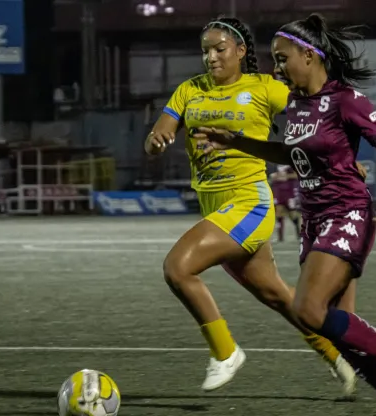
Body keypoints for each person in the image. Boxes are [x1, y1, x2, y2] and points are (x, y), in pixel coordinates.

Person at [194, 13, 376, 416]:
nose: (277, 67)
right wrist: (235, 142)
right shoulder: (294, 105)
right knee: (336, 328)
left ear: (309, 55)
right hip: (314, 220)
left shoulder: (346, 100)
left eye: (282, 58)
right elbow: (291, 154)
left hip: (347, 213)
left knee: (308, 310)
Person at [143, 16, 356, 395]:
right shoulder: (188, 91)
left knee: (177, 268)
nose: (211, 57)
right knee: (280, 297)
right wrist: (157, 140)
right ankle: (336, 354)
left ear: (241, 51)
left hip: (249, 203)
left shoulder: (264, 88)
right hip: (216, 208)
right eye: (206, 50)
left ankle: (226, 353)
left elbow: (315, 106)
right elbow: (159, 133)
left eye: (219, 49)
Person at [269, 165, 301, 242]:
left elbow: (298, 175)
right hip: (278, 190)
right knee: (279, 212)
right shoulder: (273, 163)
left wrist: (285, 176)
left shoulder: (289, 162)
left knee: (292, 214)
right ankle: (280, 237)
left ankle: (298, 230)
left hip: (289, 191)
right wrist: (274, 176)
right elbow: (270, 175)